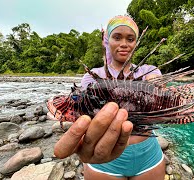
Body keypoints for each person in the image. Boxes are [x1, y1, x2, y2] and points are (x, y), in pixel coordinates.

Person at [54, 15, 165, 180]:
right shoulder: (93, 76)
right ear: (107, 41)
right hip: (104, 159)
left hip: (148, 154)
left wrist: (159, 89)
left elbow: (159, 88)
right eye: (117, 37)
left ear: (136, 43)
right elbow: (83, 111)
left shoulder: (149, 70)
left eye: (130, 38)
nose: (124, 44)